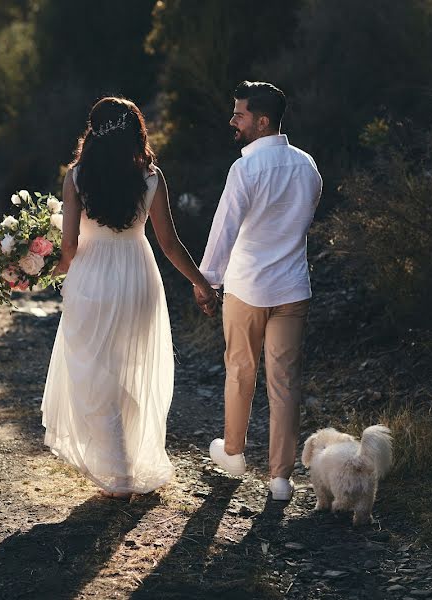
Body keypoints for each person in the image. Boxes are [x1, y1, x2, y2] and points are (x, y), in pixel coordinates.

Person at [41, 97, 217, 500]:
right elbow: (170, 244)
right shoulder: (152, 178)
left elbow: (68, 248)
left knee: (98, 374)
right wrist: (200, 283)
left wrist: (35, 272)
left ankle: (118, 474)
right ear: (136, 132)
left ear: (93, 132)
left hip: (91, 278)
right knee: (133, 370)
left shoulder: (77, 178)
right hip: (138, 277)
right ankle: (130, 465)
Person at [198, 81, 322, 502]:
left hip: (248, 286)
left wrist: (208, 281)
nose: (233, 121)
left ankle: (233, 455)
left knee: (240, 371)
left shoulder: (245, 169)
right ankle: (281, 479)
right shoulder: (307, 166)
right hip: (292, 287)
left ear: (262, 121)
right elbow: (301, 222)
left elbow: (224, 229)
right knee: (285, 382)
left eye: (240, 114)